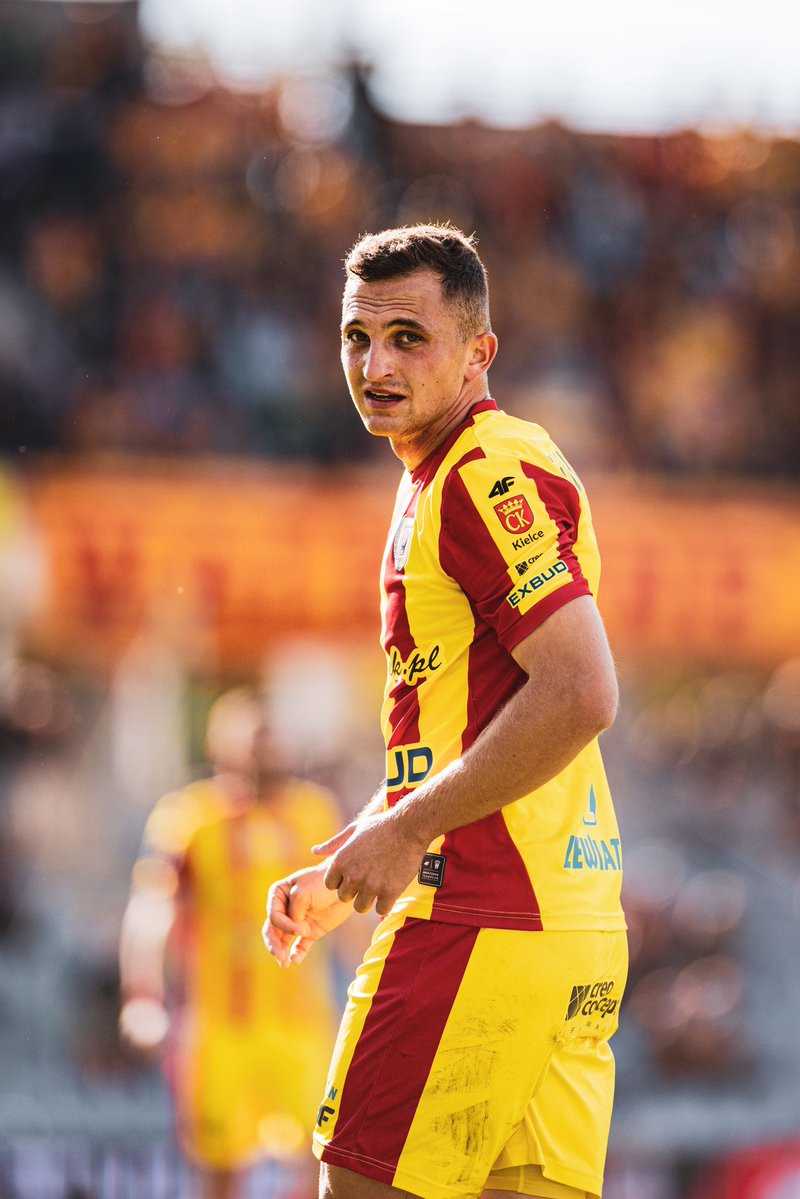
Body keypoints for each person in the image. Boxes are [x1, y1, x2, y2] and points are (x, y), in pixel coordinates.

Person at [264, 224, 627, 1199]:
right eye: (357, 336)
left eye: (407, 338)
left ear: (477, 352)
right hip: (571, 927)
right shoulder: (469, 465)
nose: (374, 365)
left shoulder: (476, 473)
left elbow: (581, 691)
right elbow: (467, 726)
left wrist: (410, 830)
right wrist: (361, 851)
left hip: (475, 914)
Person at [120, 686, 341, 1199]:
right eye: (254, 742)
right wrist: (143, 997)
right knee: (220, 1171)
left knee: (320, 1163)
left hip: (301, 1027)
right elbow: (152, 908)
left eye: (273, 741)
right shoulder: (190, 818)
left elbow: (348, 913)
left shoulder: (315, 813)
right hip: (219, 1030)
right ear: (221, 747)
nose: (267, 753)